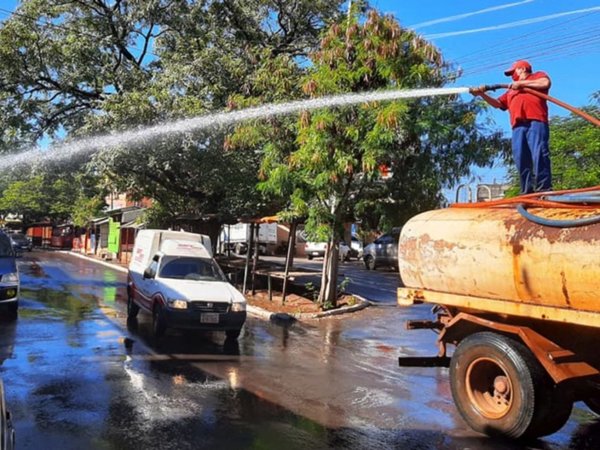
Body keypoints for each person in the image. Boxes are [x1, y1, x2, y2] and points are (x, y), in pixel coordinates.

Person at [471, 60, 552, 194]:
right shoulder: (510, 91)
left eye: (512, 72)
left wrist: (521, 84)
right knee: (521, 158)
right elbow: (498, 104)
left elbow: (545, 83)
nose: (511, 76)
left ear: (522, 69)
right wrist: (482, 94)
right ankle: (527, 190)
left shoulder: (537, 76)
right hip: (518, 126)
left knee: (539, 154)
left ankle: (544, 188)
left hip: (536, 122)